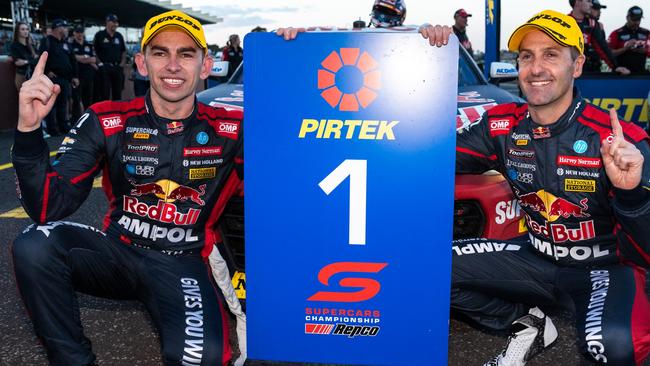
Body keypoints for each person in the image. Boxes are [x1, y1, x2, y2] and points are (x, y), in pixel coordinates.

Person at [12, 9, 243, 365]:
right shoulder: (107, 119)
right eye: (160, 52)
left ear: (206, 64)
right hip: (117, 253)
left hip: (183, 264)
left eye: (186, 54)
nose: (172, 65)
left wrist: (296, 51)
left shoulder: (234, 129)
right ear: (141, 63)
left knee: (203, 358)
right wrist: (28, 132)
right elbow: (48, 206)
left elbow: (296, 169)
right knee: (34, 244)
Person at [424, 9, 650, 366]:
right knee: (427, 267)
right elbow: (423, 158)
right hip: (534, 257)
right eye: (527, 56)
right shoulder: (501, 126)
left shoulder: (621, 141)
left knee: (614, 345)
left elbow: (646, 252)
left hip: (604, 269)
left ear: (576, 67)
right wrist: (424, 54)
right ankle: (529, 324)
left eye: (551, 54)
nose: (536, 68)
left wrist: (632, 195)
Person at [39, 18, 79, 136]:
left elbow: (73, 60)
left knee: (63, 103)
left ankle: (63, 126)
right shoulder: (47, 41)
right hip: (53, 78)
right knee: (52, 104)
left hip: (65, 78)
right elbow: (41, 57)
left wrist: (75, 76)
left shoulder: (66, 43)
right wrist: (46, 71)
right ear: (57, 28)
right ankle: (53, 128)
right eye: (64, 27)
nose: (66, 30)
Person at [569, 0, 629, 74]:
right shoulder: (564, 22)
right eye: (588, 1)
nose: (591, 5)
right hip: (569, 71)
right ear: (577, 2)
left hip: (588, 70)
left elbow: (601, 46)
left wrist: (615, 67)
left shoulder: (592, 23)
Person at [93, 14, 126, 101]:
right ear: (107, 22)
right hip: (104, 67)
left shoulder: (119, 36)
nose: (115, 24)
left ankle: (117, 113)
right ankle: (106, 113)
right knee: (104, 93)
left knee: (118, 93)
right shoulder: (99, 35)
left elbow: (123, 51)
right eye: (113, 22)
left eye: (116, 22)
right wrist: (99, 64)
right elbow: (94, 51)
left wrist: (122, 64)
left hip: (117, 67)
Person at [608, 6, 650, 74]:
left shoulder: (646, 33)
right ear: (627, 17)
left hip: (641, 74)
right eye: (634, 19)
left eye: (639, 20)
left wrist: (644, 50)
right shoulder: (616, 33)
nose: (636, 22)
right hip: (621, 74)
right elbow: (608, 53)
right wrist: (625, 48)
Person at [70, 25, 97, 121]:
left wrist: (80, 58)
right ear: (74, 33)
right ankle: (76, 120)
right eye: (77, 32)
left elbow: (93, 59)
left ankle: (87, 120)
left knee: (88, 99)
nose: (79, 34)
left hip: (89, 76)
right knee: (77, 99)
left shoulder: (88, 45)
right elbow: (73, 58)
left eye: (81, 32)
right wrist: (86, 58)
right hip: (77, 76)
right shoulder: (71, 45)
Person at [9, 22, 37, 91]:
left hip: (33, 75)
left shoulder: (31, 45)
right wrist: (31, 60)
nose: (26, 31)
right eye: (23, 29)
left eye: (27, 29)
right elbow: (18, 62)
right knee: (25, 99)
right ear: (18, 31)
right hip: (22, 76)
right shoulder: (14, 45)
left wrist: (26, 61)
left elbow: (37, 59)